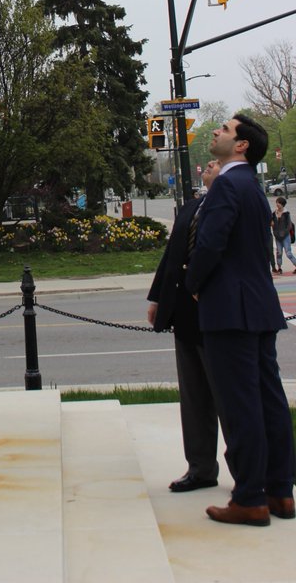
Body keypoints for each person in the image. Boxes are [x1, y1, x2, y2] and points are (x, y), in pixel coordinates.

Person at [185, 114, 296, 527]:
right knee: (268, 400)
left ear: (242, 145)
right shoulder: (252, 185)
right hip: (258, 306)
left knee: (240, 405)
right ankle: (280, 491)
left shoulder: (228, 184)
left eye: (225, 129)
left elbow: (210, 244)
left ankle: (249, 498)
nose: (216, 132)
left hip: (230, 310)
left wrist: (193, 284)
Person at [147, 159, 223, 492]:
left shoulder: (230, 204)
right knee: (193, 396)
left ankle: (248, 475)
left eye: (216, 164)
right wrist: (157, 298)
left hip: (217, 313)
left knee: (226, 397)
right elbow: (172, 254)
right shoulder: (192, 207)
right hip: (185, 314)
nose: (210, 164)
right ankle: (200, 468)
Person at [271, 196, 296, 274]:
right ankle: (279, 268)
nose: (277, 204)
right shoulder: (274, 213)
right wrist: (273, 227)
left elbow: (289, 225)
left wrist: (284, 233)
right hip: (277, 236)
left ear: (282, 204)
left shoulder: (286, 213)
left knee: (288, 253)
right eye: (277, 202)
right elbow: (271, 223)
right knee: (279, 253)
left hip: (285, 236)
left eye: (279, 203)